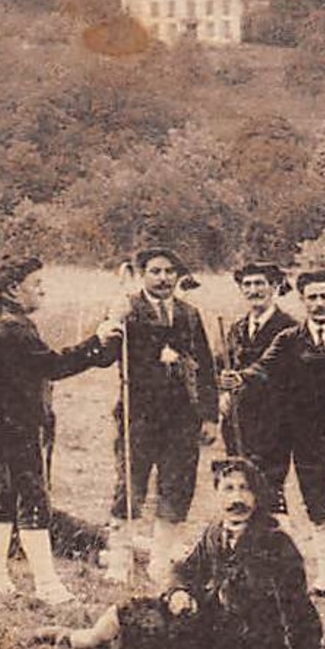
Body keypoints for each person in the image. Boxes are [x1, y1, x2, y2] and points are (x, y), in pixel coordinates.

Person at [34, 458, 323, 649]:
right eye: (229, 489)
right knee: (128, 613)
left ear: (258, 497)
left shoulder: (275, 541)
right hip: (212, 623)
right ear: (217, 496)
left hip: (251, 642)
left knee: (160, 637)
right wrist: (178, 592)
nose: (238, 498)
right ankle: (74, 637)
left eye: (245, 489)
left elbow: (297, 609)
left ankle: (94, 640)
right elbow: (185, 570)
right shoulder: (215, 532)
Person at [222, 270, 325, 598]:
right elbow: (264, 367)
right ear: (303, 301)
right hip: (307, 440)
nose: (319, 304)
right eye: (312, 297)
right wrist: (240, 379)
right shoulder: (290, 339)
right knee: (317, 506)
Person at [0, 256, 120, 602]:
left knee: (4, 496)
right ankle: (46, 584)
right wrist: (97, 339)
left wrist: (98, 346)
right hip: (14, 427)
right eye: (37, 285)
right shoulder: (12, 326)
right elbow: (52, 365)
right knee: (33, 499)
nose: (43, 291)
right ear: (14, 288)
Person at [99, 248, 220, 588]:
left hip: (182, 419)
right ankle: (120, 561)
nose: (163, 278)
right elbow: (108, 352)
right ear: (143, 274)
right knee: (131, 486)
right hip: (139, 416)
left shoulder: (190, 314)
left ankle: (161, 561)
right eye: (155, 271)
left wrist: (210, 417)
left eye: (170, 271)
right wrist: (112, 319)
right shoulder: (128, 309)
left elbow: (206, 367)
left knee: (177, 488)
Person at [218, 261, 296, 515]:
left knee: (269, 487)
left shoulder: (290, 328)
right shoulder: (236, 329)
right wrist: (222, 391)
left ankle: (273, 547)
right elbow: (221, 366)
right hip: (238, 418)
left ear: (274, 286)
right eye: (247, 285)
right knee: (239, 483)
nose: (254, 290)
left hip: (275, 421)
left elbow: (285, 374)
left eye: (260, 283)